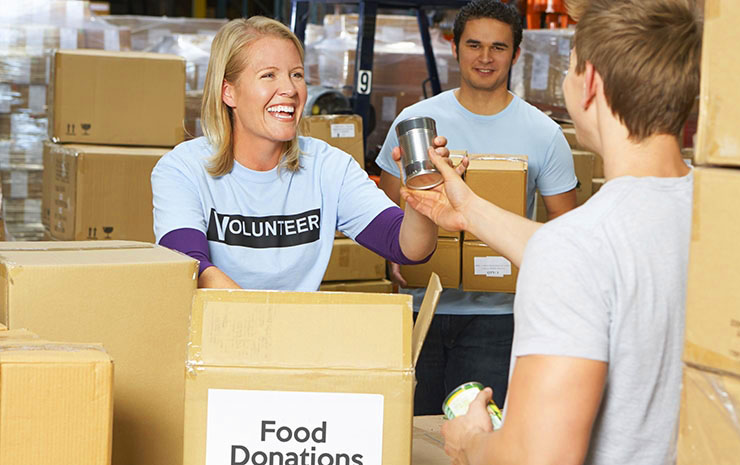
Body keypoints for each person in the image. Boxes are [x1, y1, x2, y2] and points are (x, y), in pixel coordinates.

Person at [400, 0, 702, 463]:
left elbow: (538, 456)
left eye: (571, 66)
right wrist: (468, 210)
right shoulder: (709, 211)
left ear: (591, 84)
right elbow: (589, 256)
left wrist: (470, 442)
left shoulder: (579, 246)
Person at [376, 0, 578, 414]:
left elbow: (565, 223)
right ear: (455, 47)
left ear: (516, 54)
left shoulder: (543, 133)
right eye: (474, 45)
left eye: (499, 48)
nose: (485, 58)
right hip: (419, 308)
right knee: (408, 435)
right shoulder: (417, 123)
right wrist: (391, 258)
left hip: (498, 317)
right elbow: (387, 209)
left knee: (480, 436)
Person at [151, 16, 449, 290]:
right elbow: (190, 266)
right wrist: (266, 326)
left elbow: (406, 247)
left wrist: (423, 199)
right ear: (228, 92)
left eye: (296, 74)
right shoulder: (183, 169)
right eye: (269, 75)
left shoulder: (328, 167)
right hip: (215, 336)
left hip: (296, 338)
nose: (290, 89)